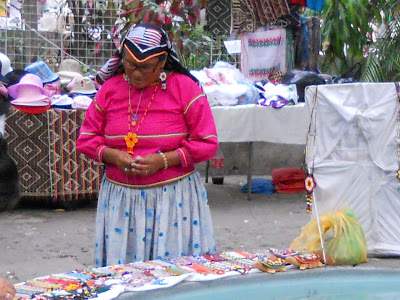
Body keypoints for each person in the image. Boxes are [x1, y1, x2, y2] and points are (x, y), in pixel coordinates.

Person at [77, 23, 219, 267]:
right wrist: (114, 156)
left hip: (173, 199)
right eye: (130, 65)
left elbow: (207, 143)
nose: (137, 74)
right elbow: (86, 139)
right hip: (121, 201)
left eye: (145, 67)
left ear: (162, 61)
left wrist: (163, 160)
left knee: (173, 273)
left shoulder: (186, 89)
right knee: (124, 276)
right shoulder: (110, 90)